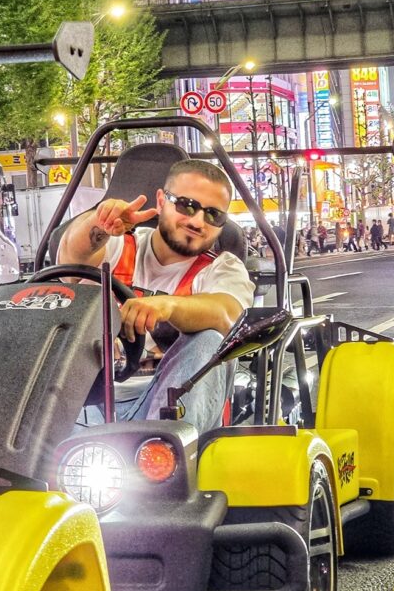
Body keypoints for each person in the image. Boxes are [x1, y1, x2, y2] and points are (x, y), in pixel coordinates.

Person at [58, 159, 256, 433]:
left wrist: (169, 306)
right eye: (187, 205)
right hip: (80, 408)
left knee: (211, 338)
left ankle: (159, 460)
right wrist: (99, 223)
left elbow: (228, 314)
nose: (197, 221)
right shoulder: (119, 247)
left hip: (164, 411)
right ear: (162, 200)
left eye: (213, 215)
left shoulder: (222, 268)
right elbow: (72, 253)